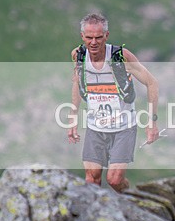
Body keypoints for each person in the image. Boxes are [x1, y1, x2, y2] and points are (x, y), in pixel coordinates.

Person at [67, 13, 159, 192]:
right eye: (89, 37)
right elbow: (77, 83)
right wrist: (73, 117)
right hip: (95, 127)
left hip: (124, 128)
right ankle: (96, 216)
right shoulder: (78, 55)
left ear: (106, 36)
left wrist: (152, 121)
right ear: (82, 36)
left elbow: (152, 83)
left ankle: (132, 198)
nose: (93, 42)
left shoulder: (120, 56)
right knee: (91, 180)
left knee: (114, 180)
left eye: (99, 37)